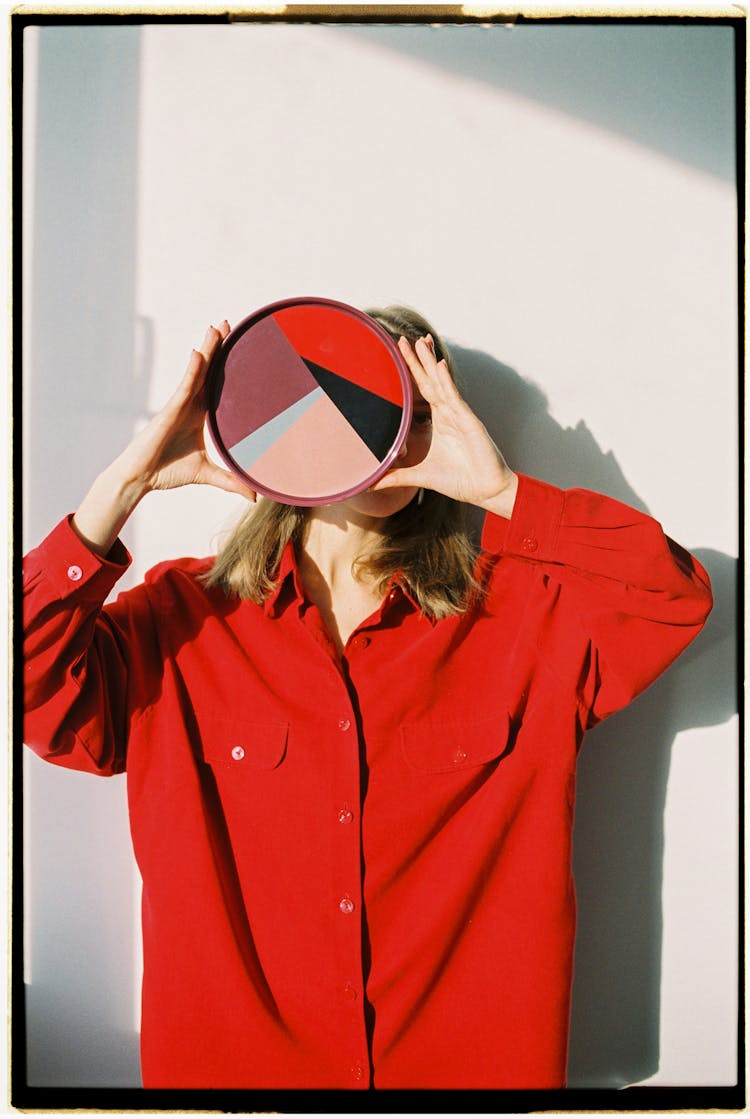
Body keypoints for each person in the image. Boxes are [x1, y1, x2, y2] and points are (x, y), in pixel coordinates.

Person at [23, 305, 712, 1091]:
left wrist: (504, 491)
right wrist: (123, 487)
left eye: (409, 413)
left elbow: (672, 597)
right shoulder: (180, 622)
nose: (380, 438)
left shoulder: (526, 618)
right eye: (349, 401)